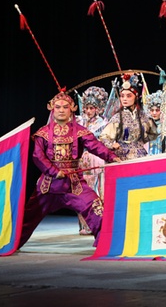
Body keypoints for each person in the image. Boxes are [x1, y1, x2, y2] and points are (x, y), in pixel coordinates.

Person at [18, 91, 122, 249]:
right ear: (52, 108)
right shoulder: (43, 133)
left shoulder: (80, 131)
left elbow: (96, 146)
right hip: (48, 185)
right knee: (27, 217)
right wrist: (55, 171)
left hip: (74, 184)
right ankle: (9, 243)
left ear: (72, 108)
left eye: (65, 107)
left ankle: (106, 245)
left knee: (96, 208)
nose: (61, 110)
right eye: (58, 107)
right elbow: (38, 157)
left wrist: (112, 157)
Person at [99, 73, 159, 160]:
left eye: (128, 96)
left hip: (140, 156)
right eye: (122, 96)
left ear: (136, 97)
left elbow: (154, 133)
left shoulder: (144, 116)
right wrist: (112, 145)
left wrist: (140, 141)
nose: (124, 99)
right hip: (122, 157)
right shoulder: (117, 118)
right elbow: (104, 137)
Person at [75, 85, 108, 235]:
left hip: (96, 160)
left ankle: (99, 223)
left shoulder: (103, 123)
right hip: (81, 160)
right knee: (82, 191)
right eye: (86, 108)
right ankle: (85, 225)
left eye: (91, 108)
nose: (88, 111)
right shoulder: (79, 122)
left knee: (98, 191)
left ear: (98, 109)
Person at [145, 90, 166, 155]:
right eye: (152, 110)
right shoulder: (147, 124)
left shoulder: (165, 125)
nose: (154, 113)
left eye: (157, 110)